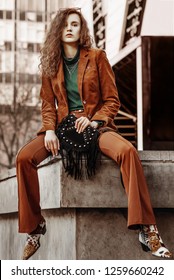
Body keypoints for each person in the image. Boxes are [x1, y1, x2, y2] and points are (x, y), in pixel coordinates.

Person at [16, 8, 172, 260]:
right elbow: (47, 105)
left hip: (95, 125)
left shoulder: (97, 57)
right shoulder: (49, 63)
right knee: (24, 158)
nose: (69, 28)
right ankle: (35, 228)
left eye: (75, 24)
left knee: (127, 151)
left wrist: (94, 121)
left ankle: (148, 230)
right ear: (57, 30)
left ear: (82, 30)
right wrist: (49, 130)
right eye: (64, 24)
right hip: (62, 128)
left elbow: (112, 100)